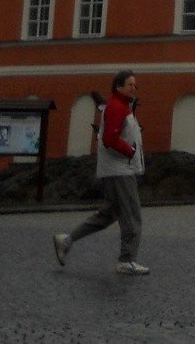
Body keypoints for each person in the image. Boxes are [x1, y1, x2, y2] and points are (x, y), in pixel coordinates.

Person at [52, 70, 147, 275]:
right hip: (120, 170)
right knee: (132, 214)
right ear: (119, 86)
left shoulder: (120, 106)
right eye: (130, 85)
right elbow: (110, 139)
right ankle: (127, 259)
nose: (133, 88)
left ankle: (67, 240)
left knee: (108, 214)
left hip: (117, 168)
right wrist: (130, 151)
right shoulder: (116, 107)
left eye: (135, 85)